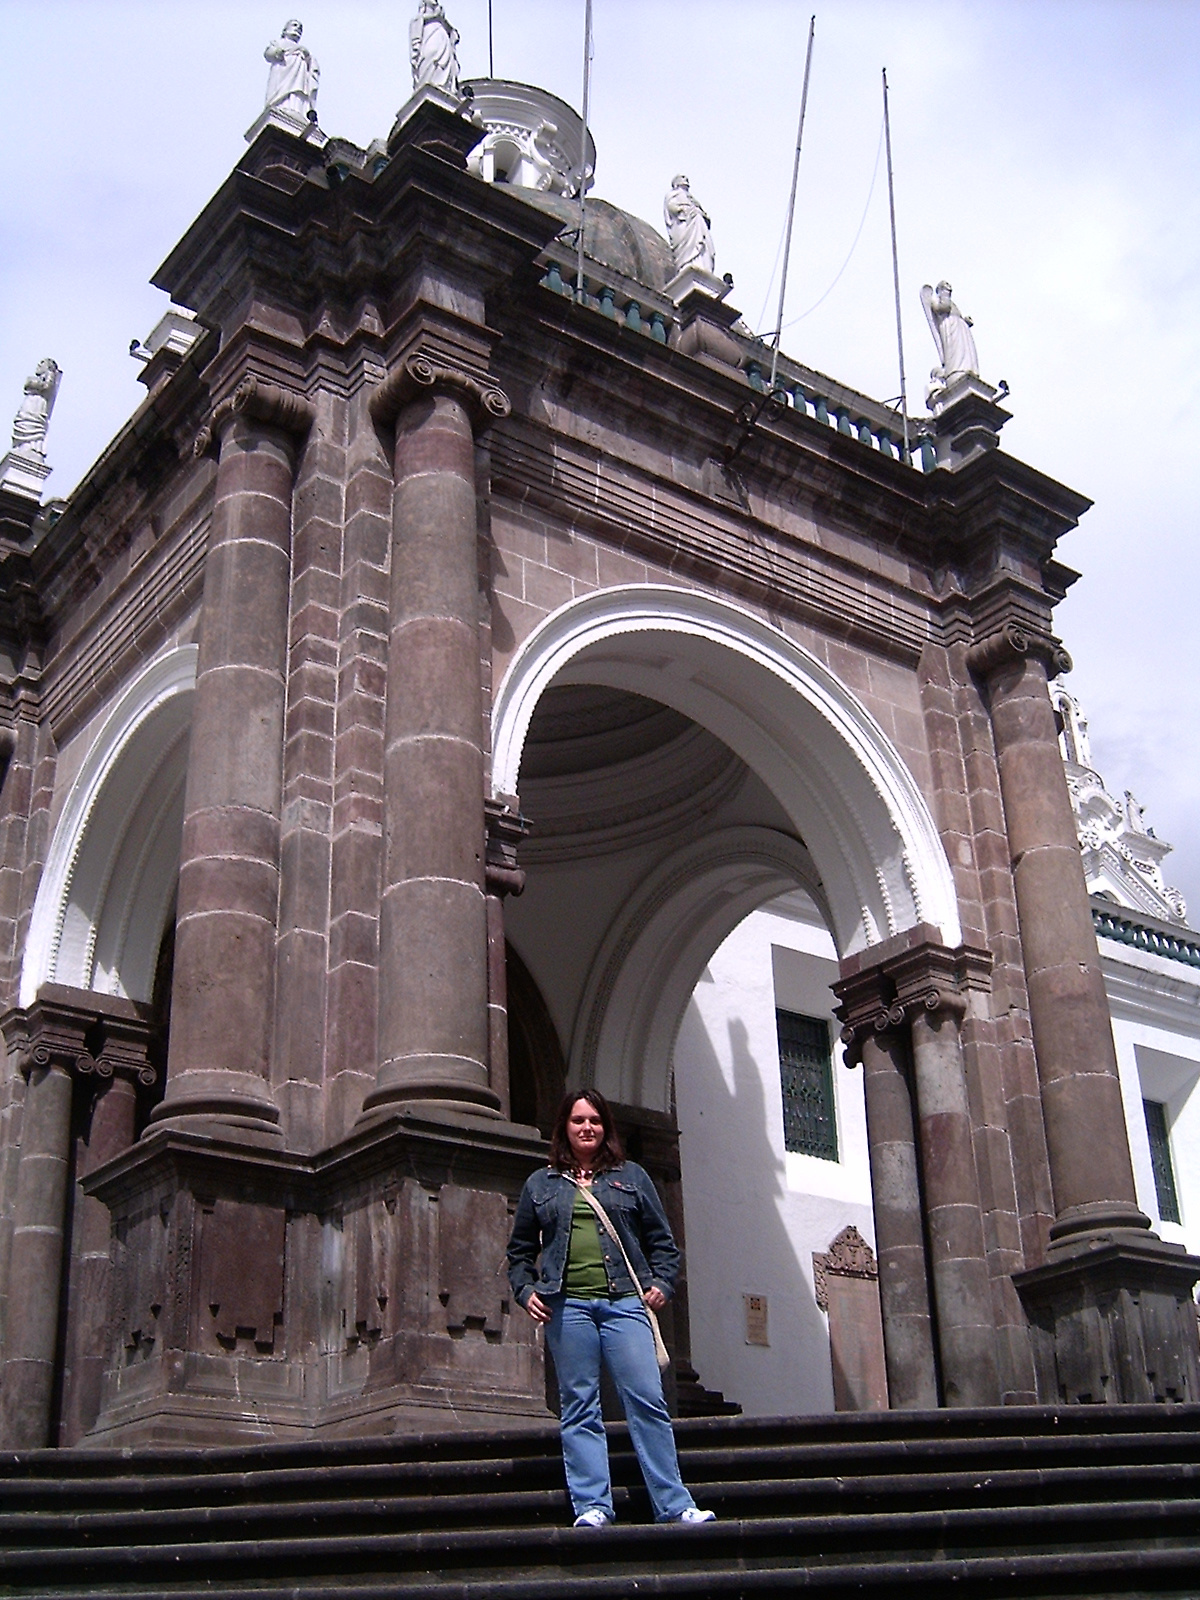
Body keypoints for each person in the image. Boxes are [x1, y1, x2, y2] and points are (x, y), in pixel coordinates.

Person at [507, 1088, 716, 1528]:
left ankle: (674, 1503)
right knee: (580, 1404)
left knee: (647, 1400)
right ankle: (592, 1506)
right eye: (579, 1120)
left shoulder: (632, 1177)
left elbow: (663, 1241)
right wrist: (526, 1291)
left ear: (606, 1128)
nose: (587, 1128)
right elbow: (520, 1250)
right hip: (569, 1306)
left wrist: (661, 1283)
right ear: (564, 1127)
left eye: (595, 1121)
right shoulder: (540, 1185)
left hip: (625, 1302)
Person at [264, 20, 320, 120]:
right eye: (294, 25)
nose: (297, 28)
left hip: (299, 76)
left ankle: (297, 110)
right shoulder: (279, 43)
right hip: (283, 73)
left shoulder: (304, 50)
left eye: (300, 28)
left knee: (297, 92)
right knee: (282, 94)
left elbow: (312, 68)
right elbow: (268, 54)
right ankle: (280, 106)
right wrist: (277, 52)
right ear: (285, 29)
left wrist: (309, 61)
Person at [664, 175, 716, 276]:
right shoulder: (673, 194)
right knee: (687, 246)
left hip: (697, 223)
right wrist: (684, 210)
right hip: (683, 222)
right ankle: (686, 263)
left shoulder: (692, 199)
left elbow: (703, 213)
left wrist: (700, 213)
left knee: (702, 242)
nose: (685, 180)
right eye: (682, 178)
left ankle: (702, 263)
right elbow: (671, 207)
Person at [410, 0, 461, 96]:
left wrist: (452, 32)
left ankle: (444, 88)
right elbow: (416, 23)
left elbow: (452, 30)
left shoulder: (441, 19)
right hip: (429, 36)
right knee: (429, 59)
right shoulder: (419, 18)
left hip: (441, 38)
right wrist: (435, 16)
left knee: (443, 64)